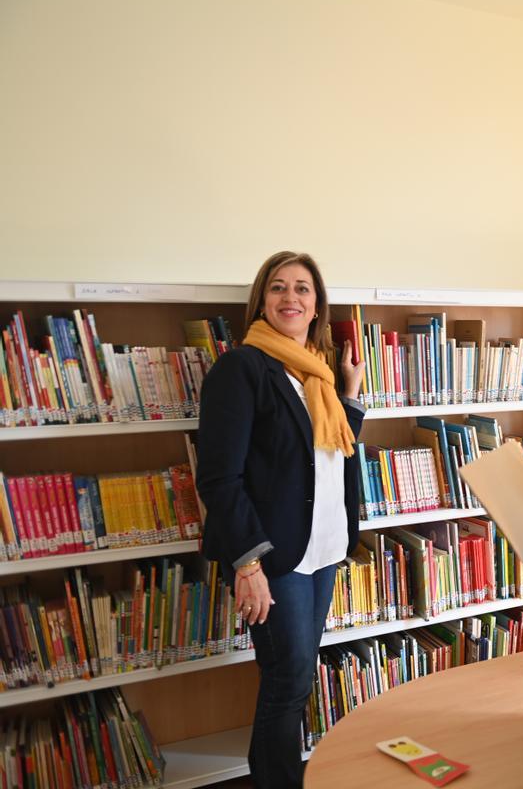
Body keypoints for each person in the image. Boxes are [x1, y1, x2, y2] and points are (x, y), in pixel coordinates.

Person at [196, 251, 365, 788]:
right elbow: (220, 478)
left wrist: (351, 398)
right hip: (275, 558)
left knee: (295, 679)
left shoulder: (316, 375)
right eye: (278, 287)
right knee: (287, 681)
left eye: (302, 289)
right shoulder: (243, 368)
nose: (290, 297)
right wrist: (247, 564)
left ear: (317, 306)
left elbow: (328, 456)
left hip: (324, 551)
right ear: (261, 301)